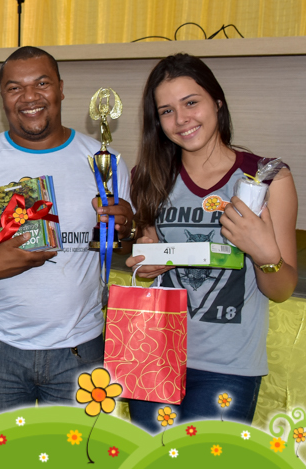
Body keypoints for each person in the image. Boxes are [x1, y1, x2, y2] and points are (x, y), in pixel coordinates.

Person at [0, 46, 134, 420]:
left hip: (81, 348)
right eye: (15, 88)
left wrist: (126, 227)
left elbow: (121, 247)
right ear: (2, 96)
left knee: (78, 451)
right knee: (1, 449)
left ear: (61, 88)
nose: (29, 97)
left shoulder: (104, 162)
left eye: (41, 83)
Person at [126, 53, 297, 431]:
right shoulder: (147, 177)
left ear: (217, 102)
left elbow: (282, 290)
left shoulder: (265, 179)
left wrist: (263, 252)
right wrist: (146, 257)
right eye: (167, 111)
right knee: (148, 457)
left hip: (228, 366)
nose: (181, 119)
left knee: (205, 457)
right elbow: (146, 246)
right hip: (153, 355)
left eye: (191, 102)